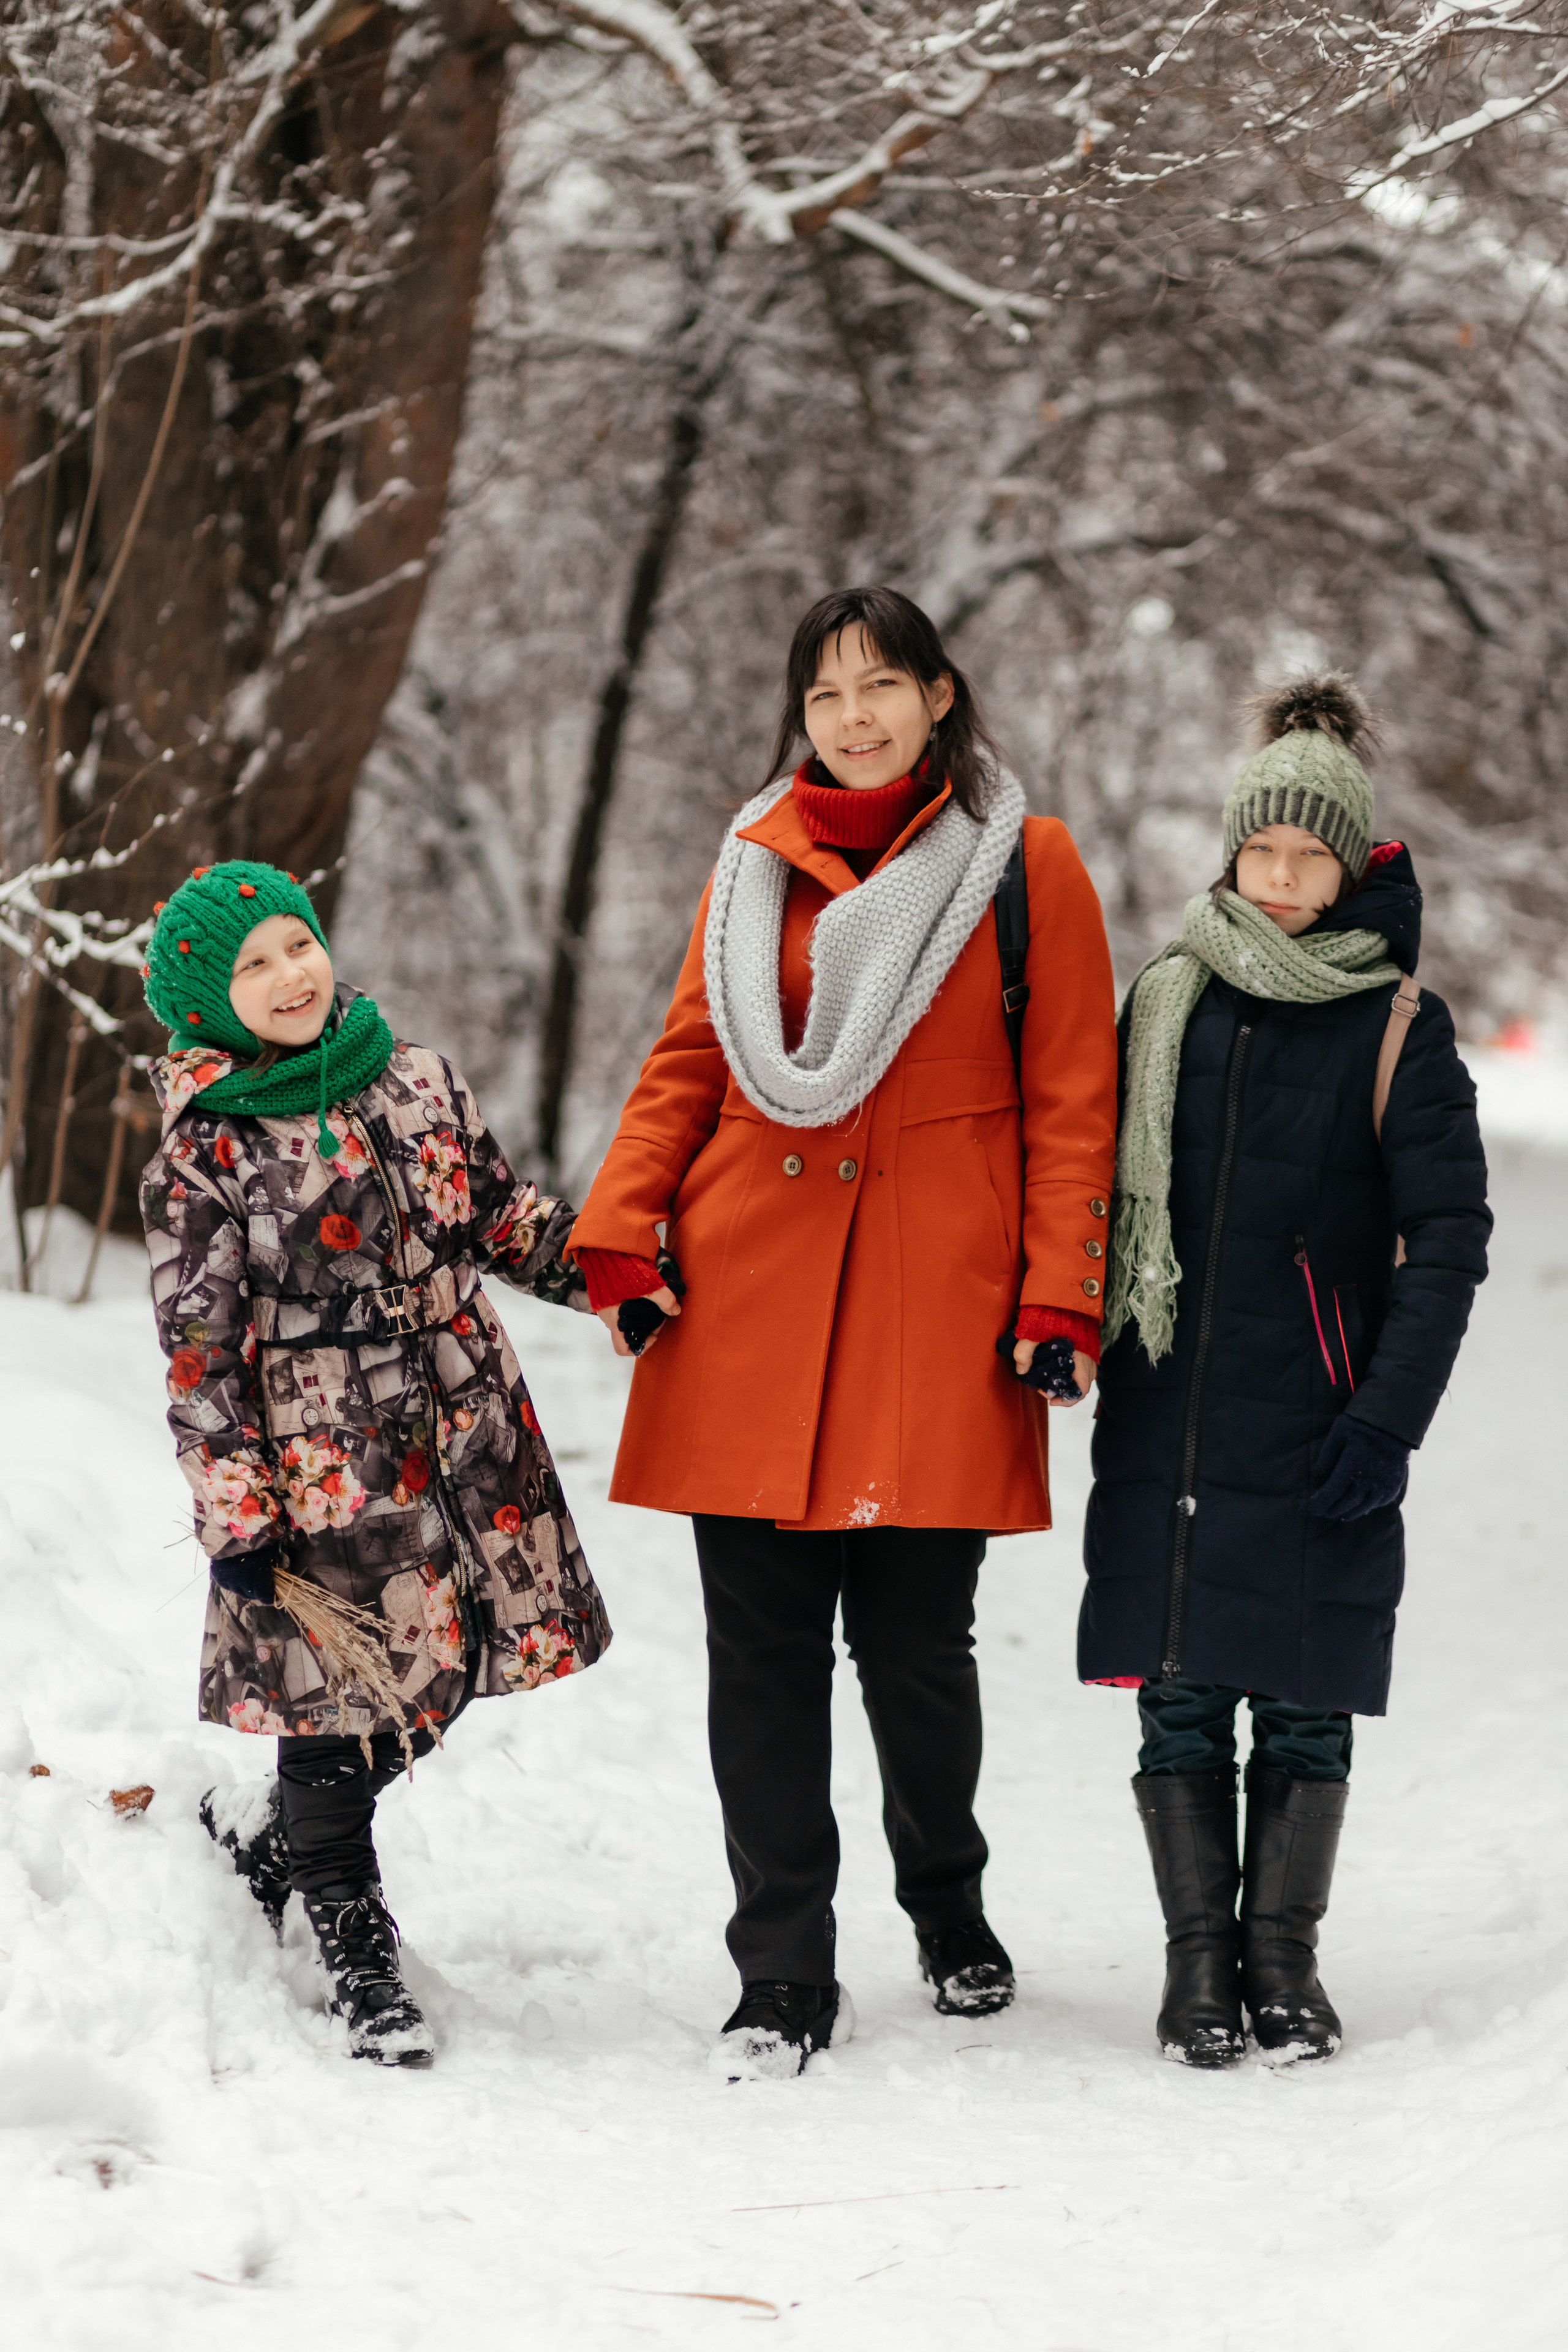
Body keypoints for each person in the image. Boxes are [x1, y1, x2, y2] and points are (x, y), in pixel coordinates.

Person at [567, 585, 1118, 2076]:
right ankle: (781, 1974)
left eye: (882, 684)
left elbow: (1075, 1095)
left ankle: (946, 1907)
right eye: (824, 694)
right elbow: (686, 1062)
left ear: (940, 696)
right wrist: (621, 1236)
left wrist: (1059, 1288)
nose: (854, 715)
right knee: (758, 1667)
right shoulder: (749, 867)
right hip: (748, 1306)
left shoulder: (1024, 866)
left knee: (916, 1657)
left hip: (930, 1318)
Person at [1080, 676, 1490, 2068]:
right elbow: (1088, 1191)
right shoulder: (1164, 1002)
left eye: (1309, 855)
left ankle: (1282, 1968)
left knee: (1303, 1696)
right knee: (1182, 1686)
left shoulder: (1396, 1027)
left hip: (1319, 1417)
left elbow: (1446, 1242)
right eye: (1261, 851)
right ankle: (1197, 1965)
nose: (1281, 879)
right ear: (1231, 849)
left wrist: (1386, 1418)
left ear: (1352, 857)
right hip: (1171, 1404)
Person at [138, 861, 608, 2066]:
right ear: (206, 1003)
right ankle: (354, 1946)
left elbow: (502, 1219)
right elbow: (199, 1360)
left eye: (296, 944)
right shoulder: (206, 1156)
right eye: (253, 967)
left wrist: (619, 1274)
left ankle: (274, 1849)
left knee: (442, 1679)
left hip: (465, 1441)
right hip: (327, 1477)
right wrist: (237, 1516)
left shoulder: (417, 1080)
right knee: (336, 1715)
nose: (290, 975)